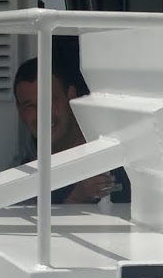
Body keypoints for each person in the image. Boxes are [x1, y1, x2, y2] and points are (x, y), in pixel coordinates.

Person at [11, 56, 130, 205]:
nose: (41, 114)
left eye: (48, 101)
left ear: (71, 96)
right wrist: (77, 197)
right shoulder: (23, 173)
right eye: (30, 106)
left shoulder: (115, 142)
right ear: (19, 111)